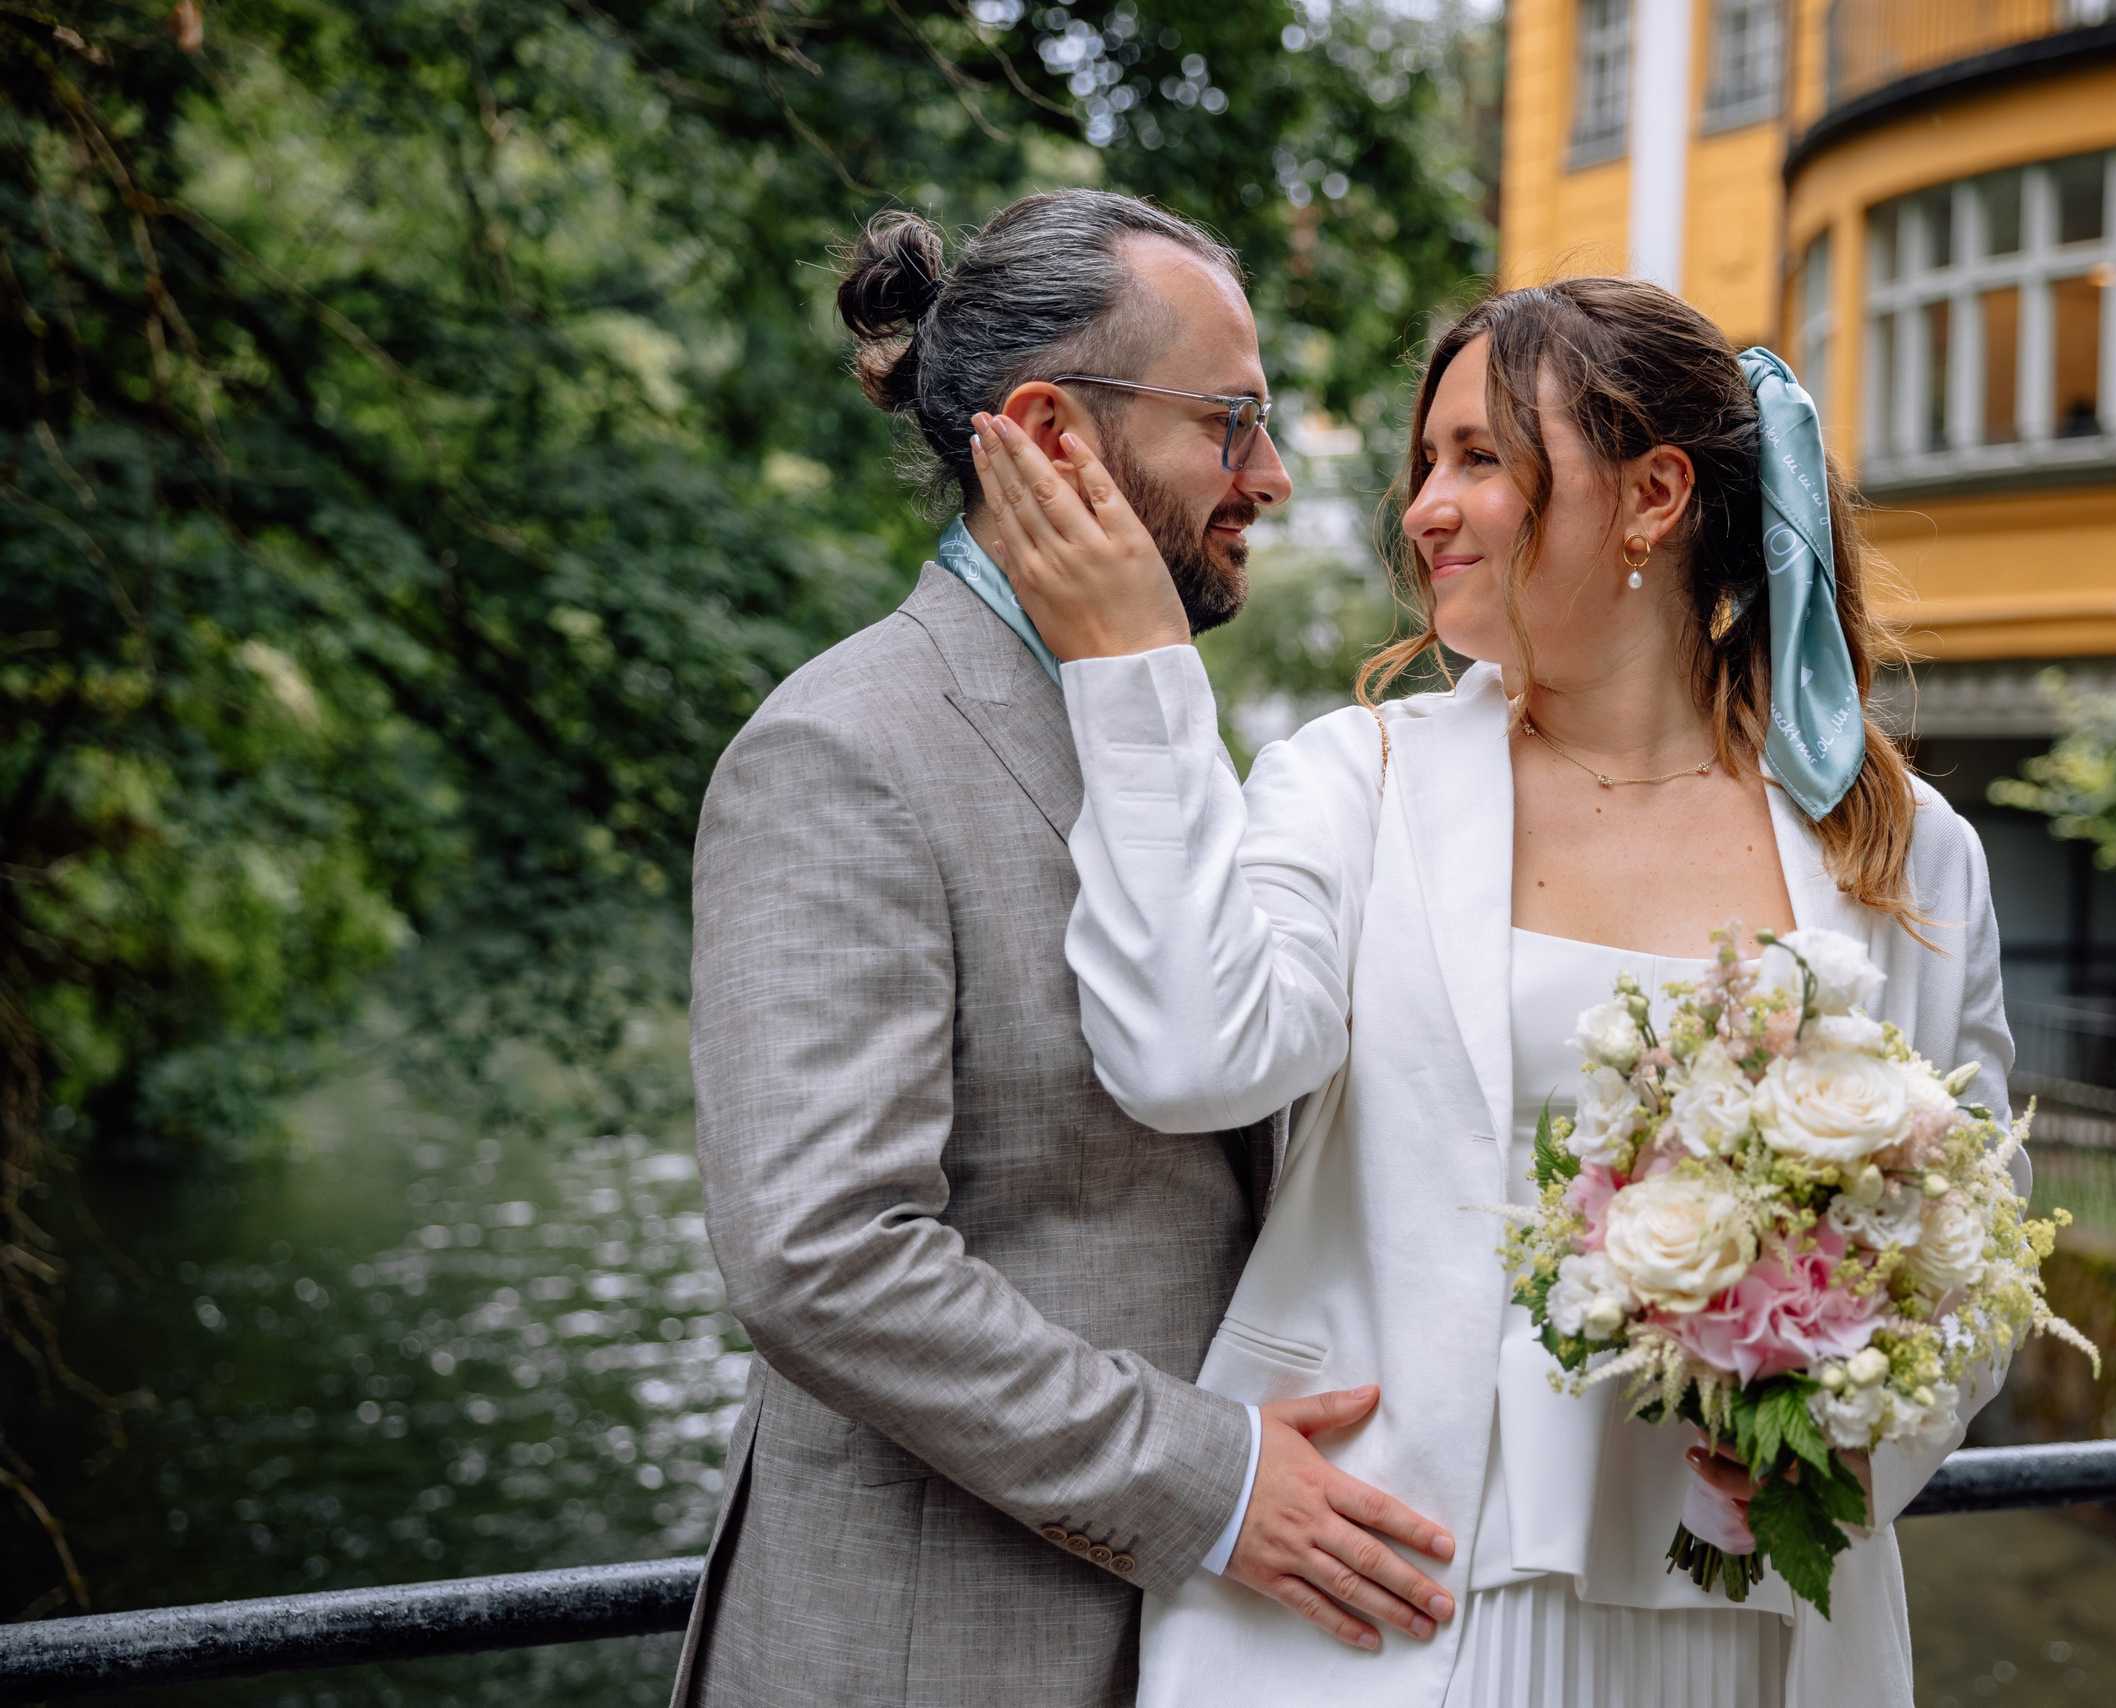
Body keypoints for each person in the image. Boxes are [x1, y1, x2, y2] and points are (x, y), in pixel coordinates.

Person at [969, 275, 2021, 1706]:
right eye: (1426, 465)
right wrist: (1137, 675)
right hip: (1390, 1591)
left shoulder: (1897, 849)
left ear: (1653, 495)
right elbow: (1187, 1058)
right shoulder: (1359, 782)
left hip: (1745, 1616)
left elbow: (1978, 1250)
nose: (1424, 508)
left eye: (1480, 459)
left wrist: (1842, 1433)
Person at [671, 189, 1459, 1708]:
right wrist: (1212, 1483)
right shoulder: (840, 748)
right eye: (1229, 425)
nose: (1276, 480)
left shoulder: (1165, 725)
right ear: (1050, 432)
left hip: (1220, 1650)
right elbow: (820, 1257)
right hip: (939, 1649)